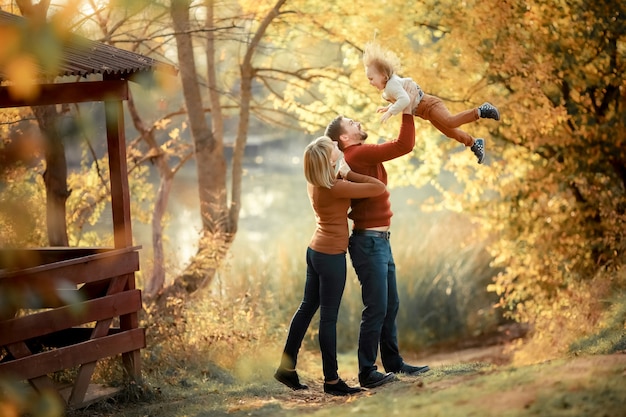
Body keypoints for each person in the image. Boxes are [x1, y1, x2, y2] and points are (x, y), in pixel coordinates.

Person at [324, 108, 430, 389]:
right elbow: (404, 145)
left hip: (380, 240)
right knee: (377, 308)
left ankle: (393, 363)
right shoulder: (357, 153)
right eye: (351, 123)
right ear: (345, 137)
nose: (357, 121)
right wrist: (407, 109)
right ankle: (367, 372)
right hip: (369, 243)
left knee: (390, 304)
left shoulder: (355, 156)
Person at [274, 136, 387, 396]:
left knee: (306, 308)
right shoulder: (336, 186)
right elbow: (378, 187)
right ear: (330, 158)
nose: (338, 146)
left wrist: (342, 174)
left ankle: (286, 368)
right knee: (328, 318)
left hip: (315, 251)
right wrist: (350, 174)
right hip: (330, 255)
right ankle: (332, 381)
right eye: (334, 147)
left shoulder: (316, 183)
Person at [362, 41, 500, 164]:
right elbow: (401, 97)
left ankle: (481, 110)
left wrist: (391, 112)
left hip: (429, 104)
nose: (370, 83)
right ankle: (475, 143)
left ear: (384, 76)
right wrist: (388, 107)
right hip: (426, 112)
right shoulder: (389, 87)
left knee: (450, 122)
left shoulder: (391, 85)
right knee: (450, 132)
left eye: (371, 78)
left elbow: (405, 99)